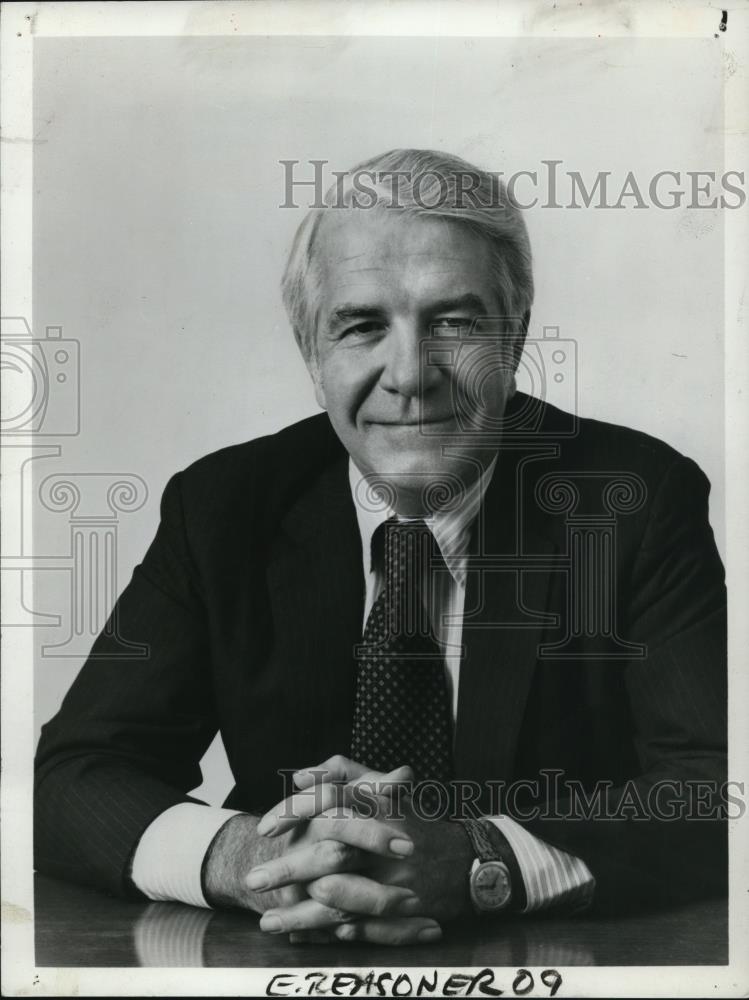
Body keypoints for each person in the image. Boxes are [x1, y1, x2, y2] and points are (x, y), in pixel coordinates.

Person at [34, 149, 727, 948]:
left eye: (455, 323)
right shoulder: (222, 506)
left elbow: (710, 790)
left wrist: (481, 859)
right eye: (362, 326)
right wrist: (246, 856)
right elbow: (71, 778)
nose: (410, 374)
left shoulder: (631, 497)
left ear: (517, 333)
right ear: (309, 350)